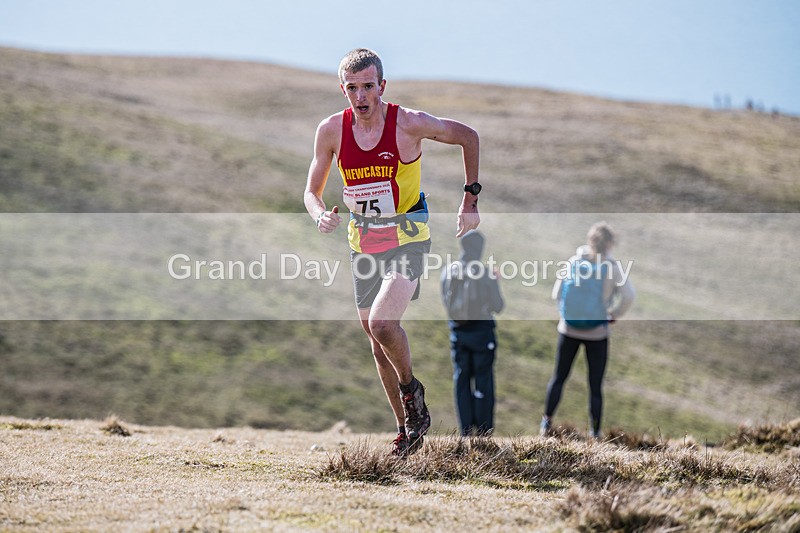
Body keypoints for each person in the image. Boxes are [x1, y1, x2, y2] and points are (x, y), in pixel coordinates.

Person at [304, 48, 481, 456]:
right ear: (342, 89)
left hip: (408, 235)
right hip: (363, 241)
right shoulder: (331, 130)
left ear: (382, 86)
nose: (361, 96)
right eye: (352, 88)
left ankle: (412, 394)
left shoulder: (409, 123)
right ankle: (407, 432)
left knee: (384, 324)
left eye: (368, 86)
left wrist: (470, 199)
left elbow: (467, 137)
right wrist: (319, 215)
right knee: (374, 337)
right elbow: (311, 191)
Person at [541, 222, 635, 439]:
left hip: (568, 329)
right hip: (597, 333)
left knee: (559, 378)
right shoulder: (612, 267)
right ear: (610, 243)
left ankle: (546, 424)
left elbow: (556, 294)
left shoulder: (574, 261)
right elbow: (629, 296)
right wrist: (614, 314)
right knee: (595, 384)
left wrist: (567, 313)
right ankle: (595, 431)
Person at [440, 230, 504, 436]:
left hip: (457, 333)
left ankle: (465, 430)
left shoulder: (448, 272)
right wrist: (496, 281)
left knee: (462, 379)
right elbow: (498, 305)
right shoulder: (484, 273)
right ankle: (484, 431)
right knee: (483, 379)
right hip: (482, 333)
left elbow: (446, 301)